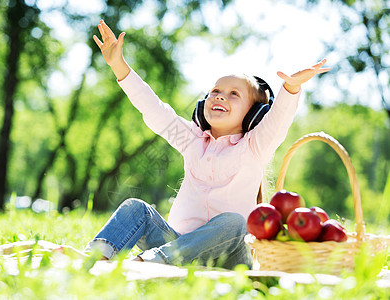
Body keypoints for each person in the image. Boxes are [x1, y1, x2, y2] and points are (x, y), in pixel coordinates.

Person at [83, 20, 330, 269]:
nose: (220, 95)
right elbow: (153, 108)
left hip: (228, 257)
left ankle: (148, 262)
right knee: (136, 209)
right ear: (204, 104)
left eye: (234, 94)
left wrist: (291, 87)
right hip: (177, 246)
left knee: (235, 222)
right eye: (215, 91)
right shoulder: (191, 141)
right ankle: (95, 259)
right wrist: (119, 66)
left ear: (254, 114)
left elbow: (279, 120)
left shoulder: (256, 146)